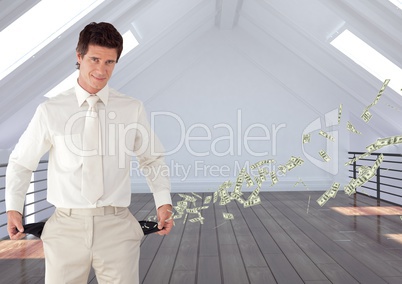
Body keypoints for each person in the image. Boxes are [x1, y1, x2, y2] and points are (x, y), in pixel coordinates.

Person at [6, 22, 173, 284]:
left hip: (117, 226)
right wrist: (14, 207)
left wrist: (163, 202)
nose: (101, 69)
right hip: (65, 228)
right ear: (79, 56)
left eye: (110, 62)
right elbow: (21, 162)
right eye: (95, 59)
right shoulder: (51, 110)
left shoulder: (132, 109)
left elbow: (151, 158)